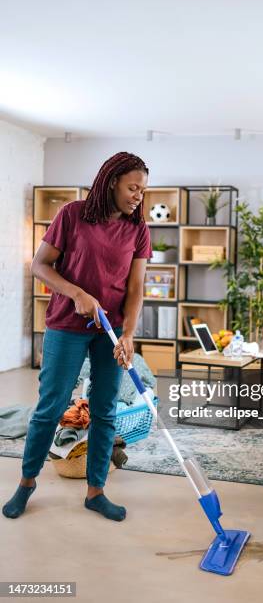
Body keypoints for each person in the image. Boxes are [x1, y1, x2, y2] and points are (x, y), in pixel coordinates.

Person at [2, 152, 152, 522]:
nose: (138, 196)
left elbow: (136, 288)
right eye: (133, 187)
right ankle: (26, 483)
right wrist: (77, 293)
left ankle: (96, 491)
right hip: (65, 326)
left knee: (104, 410)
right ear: (112, 180)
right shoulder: (72, 215)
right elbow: (40, 265)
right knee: (50, 407)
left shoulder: (138, 229)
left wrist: (128, 334)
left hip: (111, 330)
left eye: (142, 190)